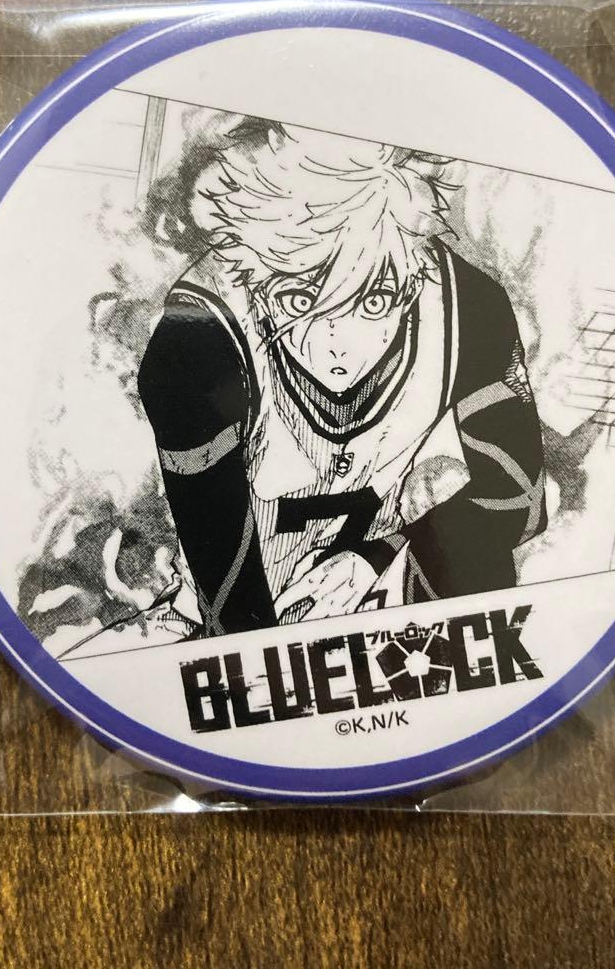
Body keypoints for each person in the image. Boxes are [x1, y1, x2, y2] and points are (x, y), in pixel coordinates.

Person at [137, 122, 546, 638]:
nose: (336, 346)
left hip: (389, 581)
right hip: (226, 611)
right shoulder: (197, 338)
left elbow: (519, 500)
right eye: (298, 301)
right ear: (250, 268)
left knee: (480, 574)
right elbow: (220, 566)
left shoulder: (470, 306)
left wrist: (377, 555)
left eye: (374, 301)